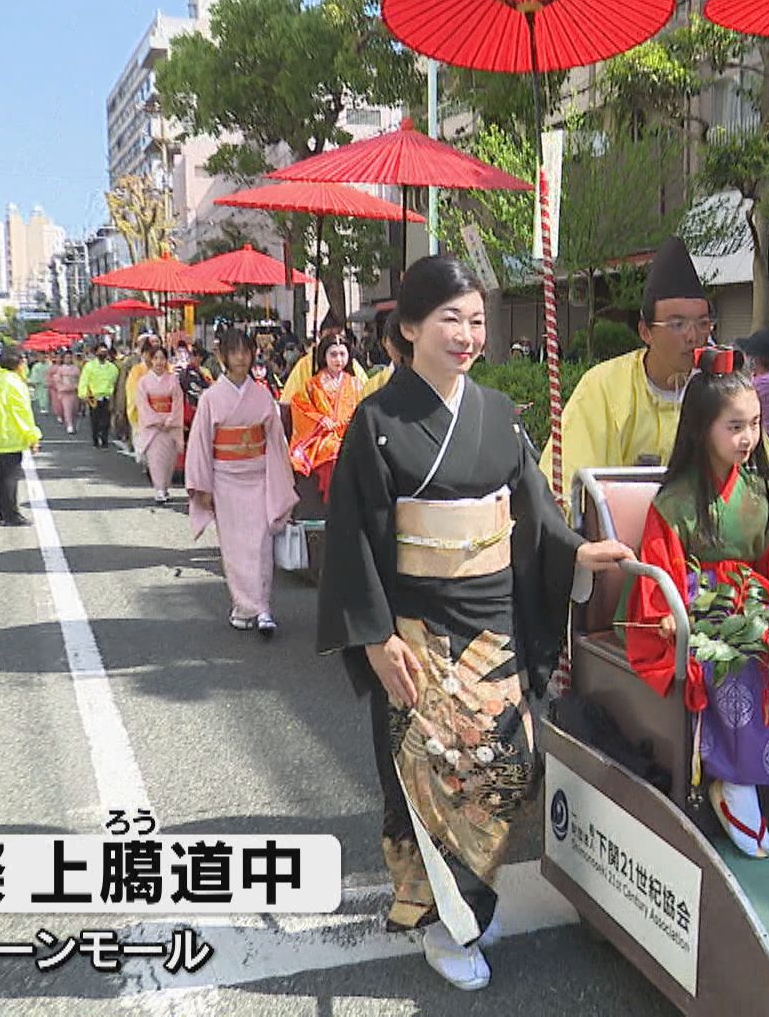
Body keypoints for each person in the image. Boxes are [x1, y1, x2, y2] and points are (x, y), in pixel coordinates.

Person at [317, 256, 632, 990]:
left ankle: (471, 902)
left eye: (477, 320)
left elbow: (534, 508)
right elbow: (354, 536)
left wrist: (579, 548)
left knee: (502, 772)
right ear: (409, 328)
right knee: (426, 778)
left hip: (494, 627)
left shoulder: (494, 414)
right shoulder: (378, 421)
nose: (467, 334)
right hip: (417, 633)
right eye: (450, 319)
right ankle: (440, 920)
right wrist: (374, 635)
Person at [622, 344, 769, 859]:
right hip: (700, 605)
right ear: (702, 430)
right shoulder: (674, 503)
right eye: (735, 426)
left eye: (754, 425)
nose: (748, 439)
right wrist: (673, 617)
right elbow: (660, 575)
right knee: (731, 656)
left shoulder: (766, 497)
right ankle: (732, 779)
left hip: (760, 600)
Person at [541, 235, 713, 497]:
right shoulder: (604, 387)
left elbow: (766, 472)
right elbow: (564, 484)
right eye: (677, 324)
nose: (692, 336)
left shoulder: (719, 388)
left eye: (702, 323)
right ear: (645, 332)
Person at [186, 330, 299, 637]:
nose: (240, 357)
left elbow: (275, 442)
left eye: (245, 351)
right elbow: (200, 444)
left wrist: (280, 478)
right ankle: (243, 605)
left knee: (261, 544)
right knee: (235, 548)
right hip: (226, 480)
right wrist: (204, 487)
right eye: (233, 352)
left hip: (258, 475)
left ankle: (262, 607)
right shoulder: (211, 397)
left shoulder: (262, 395)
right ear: (222, 356)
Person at [289, 335, 361, 503]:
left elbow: (363, 410)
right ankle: (333, 500)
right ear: (324, 356)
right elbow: (300, 407)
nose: (339, 359)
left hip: (351, 433)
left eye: (342, 354)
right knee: (333, 452)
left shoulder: (356, 384)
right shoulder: (312, 385)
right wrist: (320, 419)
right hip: (322, 436)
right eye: (333, 354)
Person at [0, 348, 41, 526]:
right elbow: (22, 413)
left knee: (1, 475)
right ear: (17, 364)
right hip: (11, 434)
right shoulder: (15, 384)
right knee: (10, 476)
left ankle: (3, 513)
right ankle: (12, 515)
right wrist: (33, 436)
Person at [133, 345, 185, 504]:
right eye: (155, 358)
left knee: (169, 460)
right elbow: (142, 403)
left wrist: (170, 420)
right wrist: (155, 420)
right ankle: (159, 489)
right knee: (156, 459)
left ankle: (165, 486)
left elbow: (177, 401)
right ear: (150, 360)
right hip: (153, 426)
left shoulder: (173, 380)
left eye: (162, 358)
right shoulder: (144, 382)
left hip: (170, 423)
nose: (159, 362)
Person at [736, 328, 769, 442]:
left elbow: (739, 401)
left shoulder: (767, 382)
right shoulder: (760, 377)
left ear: (758, 358)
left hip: (763, 441)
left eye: (749, 354)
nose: (747, 357)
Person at [79, 345, 120, 449]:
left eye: (105, 352)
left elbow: (115, 382)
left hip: (107, 397)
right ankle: (95, 440)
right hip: (94, 398)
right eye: (101, 351)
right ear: (96, 353)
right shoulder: (89, 366)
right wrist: (83, 394)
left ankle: (105, 440)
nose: (103, 354)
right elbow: (84, 381)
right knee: (95, 420)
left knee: (106, 421)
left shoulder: (112, 368)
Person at [48, 351, 81, 434]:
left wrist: (77, 386)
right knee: (67, 408)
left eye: (70, 358)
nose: (68, 359)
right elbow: (57, 379)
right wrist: (62, 387)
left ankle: (72, 423)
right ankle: (69, 425)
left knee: (74, 409)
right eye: (66, 358)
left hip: (74, 391)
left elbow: (79, 379)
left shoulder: (76, 368)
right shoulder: (60, 369)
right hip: (65, 392)